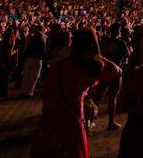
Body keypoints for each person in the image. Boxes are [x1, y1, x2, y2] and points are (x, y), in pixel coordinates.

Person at [32, 28, 121, 158]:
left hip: (50, 121)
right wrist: (99, 56)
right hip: (72, 123)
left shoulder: (58, 66)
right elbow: (117, 71)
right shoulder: (86, 70)